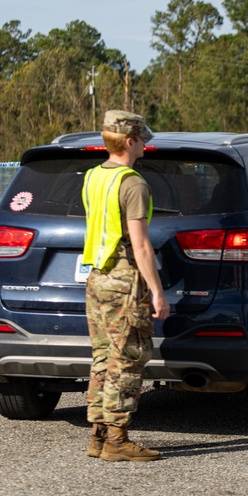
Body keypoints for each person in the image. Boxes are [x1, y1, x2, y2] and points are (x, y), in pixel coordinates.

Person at [82, 110, 169, 462]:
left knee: (103, 357)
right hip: (124, 281)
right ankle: (117, 439)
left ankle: (99, 435)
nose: (146, 143)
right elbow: (141, 245)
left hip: (97, 278)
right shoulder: (132, 183)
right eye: (142, 138)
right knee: (129, 358)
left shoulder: (93, 176)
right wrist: (158, 292)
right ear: (129, 141)